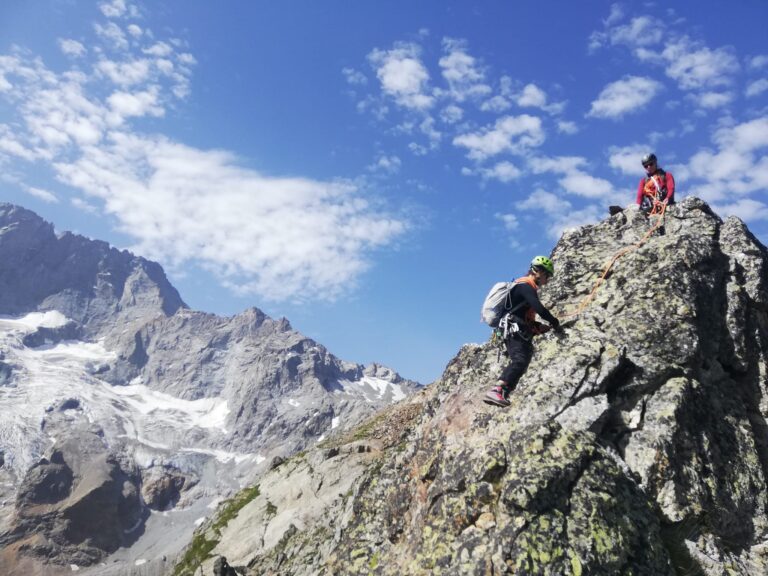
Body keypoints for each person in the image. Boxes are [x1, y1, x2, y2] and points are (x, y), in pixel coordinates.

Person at [483, 255, 562, 408]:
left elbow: (524, 317)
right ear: (539, 272)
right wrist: (554, 321)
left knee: (522, 359)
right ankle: (497, 389)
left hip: (513, 328)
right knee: (520, 359)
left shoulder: (522, 287)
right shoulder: (526, 286)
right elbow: (539, 308)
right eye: (548, 276)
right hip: (513, 329)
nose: (548, 280)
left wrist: (540, 328)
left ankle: (502, 391)